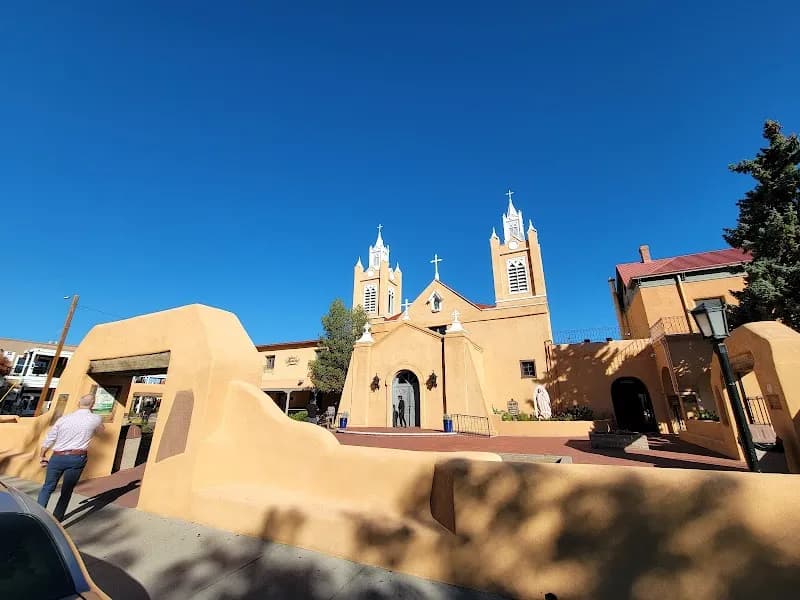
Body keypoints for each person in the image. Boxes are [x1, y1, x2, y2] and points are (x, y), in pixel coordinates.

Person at [37, 394, 104, 521]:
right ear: (92, 405)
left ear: (78, 403)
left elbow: (50, 438)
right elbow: (101, 432)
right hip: (77, 457)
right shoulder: (95, 418)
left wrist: (42, 454)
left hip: (57, 457)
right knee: (66, 490)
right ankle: (57, 519)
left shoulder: (63, 419)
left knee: (47, 487)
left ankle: (38, 517)